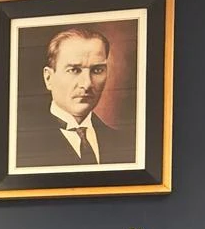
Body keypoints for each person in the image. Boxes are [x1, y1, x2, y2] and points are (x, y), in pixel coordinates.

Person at [16, 25, 135, 168]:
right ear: (48, 78)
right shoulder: (20, 144)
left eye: (97, 70)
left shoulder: (126, 145)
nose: (87, 84)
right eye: (74, 70)